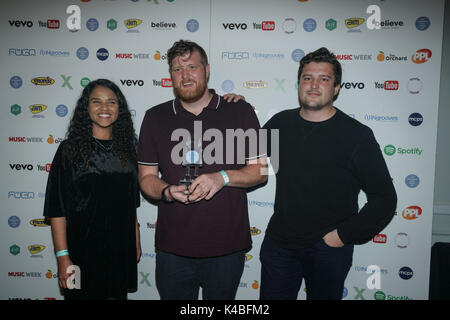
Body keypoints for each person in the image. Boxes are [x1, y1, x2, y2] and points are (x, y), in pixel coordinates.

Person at [260, 47, 397, 300]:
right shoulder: (280, 124)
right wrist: (231, 107)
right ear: (299, 83)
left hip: (327, 250)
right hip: (279, 245)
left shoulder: (356, 135)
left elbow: (385, 199)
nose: (313, 85)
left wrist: (342, 236)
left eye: (324, 79)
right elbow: (242, 155)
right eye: (307, 78)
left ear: (336, 88)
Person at [137, 40, 267, 300]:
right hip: (173, 248)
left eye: (192, 67)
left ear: (207, 69)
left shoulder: (241, 110)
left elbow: (262, 171)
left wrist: (223, 177)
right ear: (171, 75)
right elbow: (146, 178)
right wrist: (167, 191)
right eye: (177, 69)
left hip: (227, 248)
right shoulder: (154, 117)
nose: (185, 75)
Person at [43, 79, 141, 300]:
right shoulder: (69, 150)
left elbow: (130, 202)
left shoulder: (130, 150)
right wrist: (62, 257)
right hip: (80, 254)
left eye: (111, 102)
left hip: (119, 253)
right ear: (86, 108)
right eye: (96, 102)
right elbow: (57, 209)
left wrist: (135, 240)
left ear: (120, 109)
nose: (104, 108)